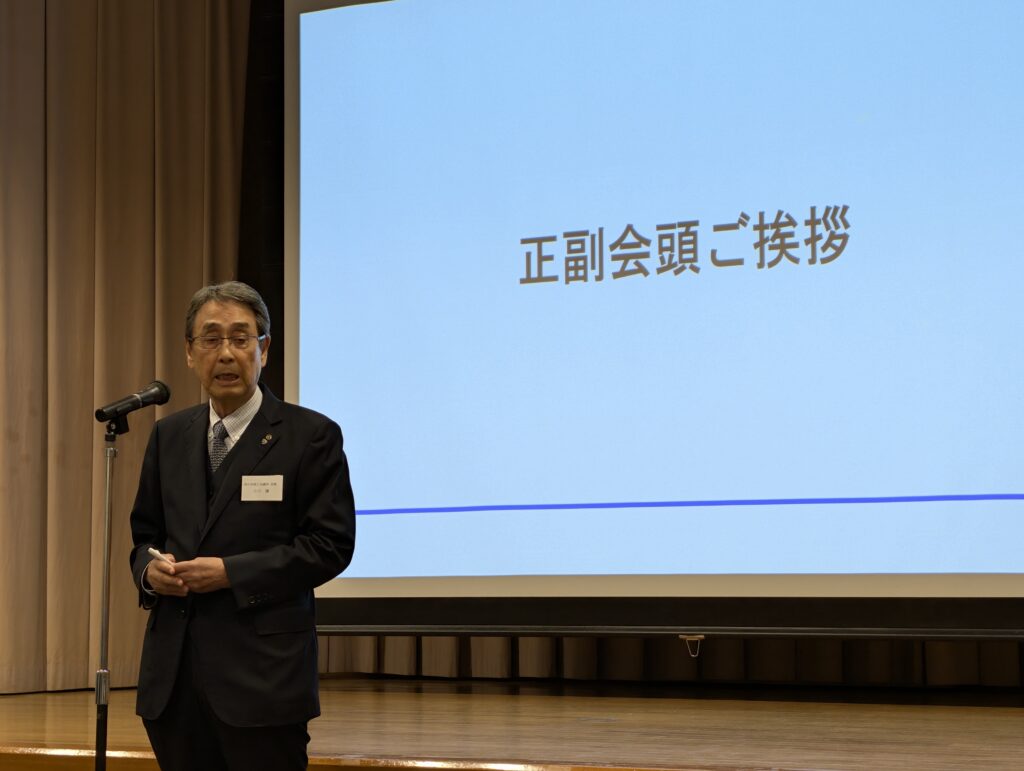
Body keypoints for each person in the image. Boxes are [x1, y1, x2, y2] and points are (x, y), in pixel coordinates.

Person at [128, 281, 355, 770]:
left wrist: (231, 573)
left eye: (240, 338)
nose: (226, 353)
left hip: (263, 682)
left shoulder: (310, 436)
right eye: (211, 339)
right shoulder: (169, 435)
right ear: (190, 352)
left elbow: (330, 546)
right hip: (174, 683)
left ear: (263, 349)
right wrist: (149, 572)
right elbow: (144, 536)